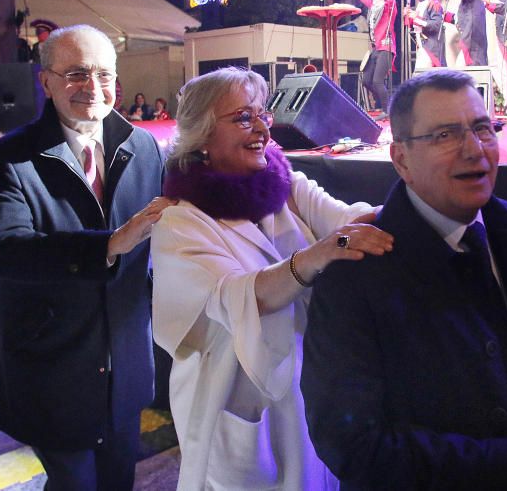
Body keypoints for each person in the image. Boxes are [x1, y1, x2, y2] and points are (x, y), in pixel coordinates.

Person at [301, 69, 507, 490]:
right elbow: (351, 444)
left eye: (482, 128)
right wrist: (497, 467)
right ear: (401, 160)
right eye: (445, 135)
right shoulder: (356, 273)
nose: (474, 149)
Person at [151, 68, 390, 489]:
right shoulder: (180, 221)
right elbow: (237, 296)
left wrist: (418, 202)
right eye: (243, 117)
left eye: (262, 114)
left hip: (313, 391)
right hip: (240, 402)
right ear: (203, 138)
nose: (263, 126)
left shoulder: (285, 186)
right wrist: (318, 254)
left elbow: (349, 217)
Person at [0, 24, 174, 490]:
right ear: (45, 81)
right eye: (76, 74)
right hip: (54, 367)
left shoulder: (142, 145)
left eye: (104, 75)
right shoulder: (11, 158)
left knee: (117, 483)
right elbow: (8, 251)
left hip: (125, 366)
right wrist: (108, 244)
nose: (93, 88)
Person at [346, 0, 398, 116]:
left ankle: (387, 110)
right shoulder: (375, 6)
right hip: (377, 48)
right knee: (367, 80)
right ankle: (384, 103)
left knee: (377, 81)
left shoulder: (389, 7)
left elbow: (391, 2)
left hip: (387, 47)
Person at [440, 0, 489, 67]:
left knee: (467, 73)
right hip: (471, 43)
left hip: (473, 44)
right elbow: (464, 18)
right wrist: (445, 16)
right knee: (463, 73)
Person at [403, 0, 446, 69]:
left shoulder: (434, 3)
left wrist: (417, 19)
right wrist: (408, 16)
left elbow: (436, 24)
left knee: (421, 79)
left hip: (431, 48)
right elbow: (415, 25)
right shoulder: (420, 3)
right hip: (421, 46)